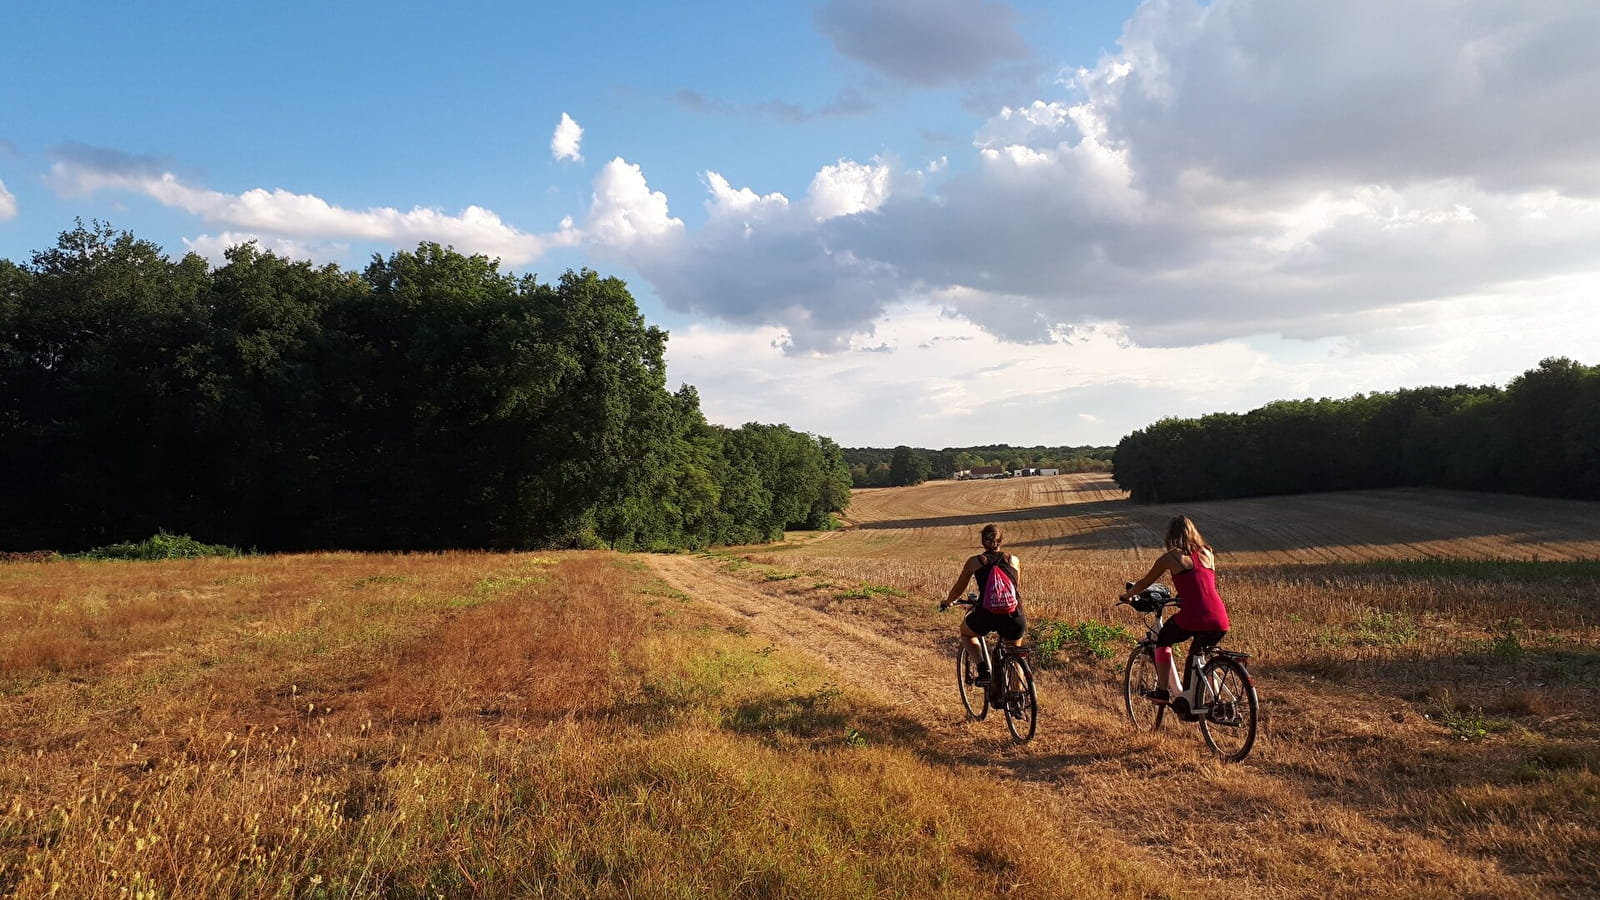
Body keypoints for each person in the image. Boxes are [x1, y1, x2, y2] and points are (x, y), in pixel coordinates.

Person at [1119, 515, 1230, 716]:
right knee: (1199, 657)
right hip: (1220, 617)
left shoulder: (1171, 557)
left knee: (1163, 641)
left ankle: (1162, 691)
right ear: (1193, 532)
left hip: (1195, 616)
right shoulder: (1208, 553)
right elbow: (1200, 584)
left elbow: (1144, 583)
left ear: (1170, 535)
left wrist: (1127, 596)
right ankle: (1214, 700)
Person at [940, 523, 1025, 685]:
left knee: (966, 632)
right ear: (1000, 541)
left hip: (987, 614)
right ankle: (1017, 702)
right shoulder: (1014, 560)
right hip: (1014, 615)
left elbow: (959, 588)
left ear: (982, 542)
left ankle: (983, 669)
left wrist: (947, 602)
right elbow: (1015, 586)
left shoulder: (975, 562)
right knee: (1015, 655)